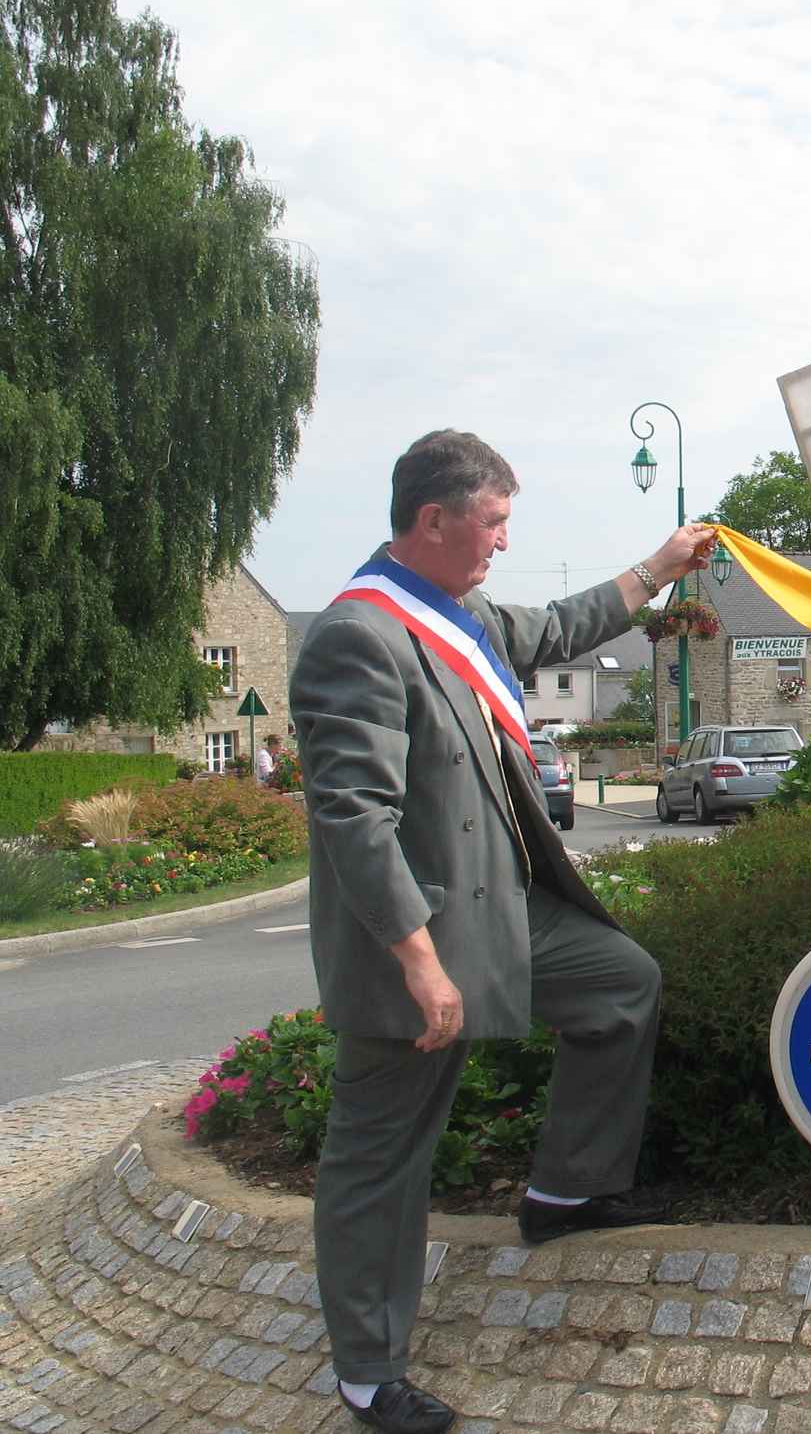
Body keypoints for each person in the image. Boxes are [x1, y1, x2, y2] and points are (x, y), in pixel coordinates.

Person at [292, 429, 715, 1434]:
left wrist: (659, 566)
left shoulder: (462, 611)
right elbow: (353, 816)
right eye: (490, 525)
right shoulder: (360, 634)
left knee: (619, 981)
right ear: (432, 522)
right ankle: (366, 1372)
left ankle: (565, 1194)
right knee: (381, 1156)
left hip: (504, 919)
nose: (499, 544)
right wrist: (416, 959)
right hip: (417, 943)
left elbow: (563, 624)